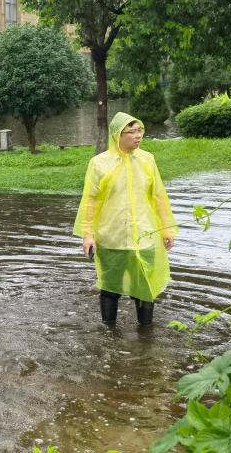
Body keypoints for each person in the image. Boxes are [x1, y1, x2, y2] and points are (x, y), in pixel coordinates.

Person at [73, 112, 177, 326]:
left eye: (140, 130)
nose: (138, 136)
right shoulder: (99, 163)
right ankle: (108, 332)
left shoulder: (147, 159)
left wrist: (166, 229)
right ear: (117, 135)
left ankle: (146, 333)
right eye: (131, 132)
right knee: (110, 288)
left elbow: (158, 196)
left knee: (145, 289)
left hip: (145, 236)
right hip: (112, 237)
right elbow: (90, 202)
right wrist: (88, 235)